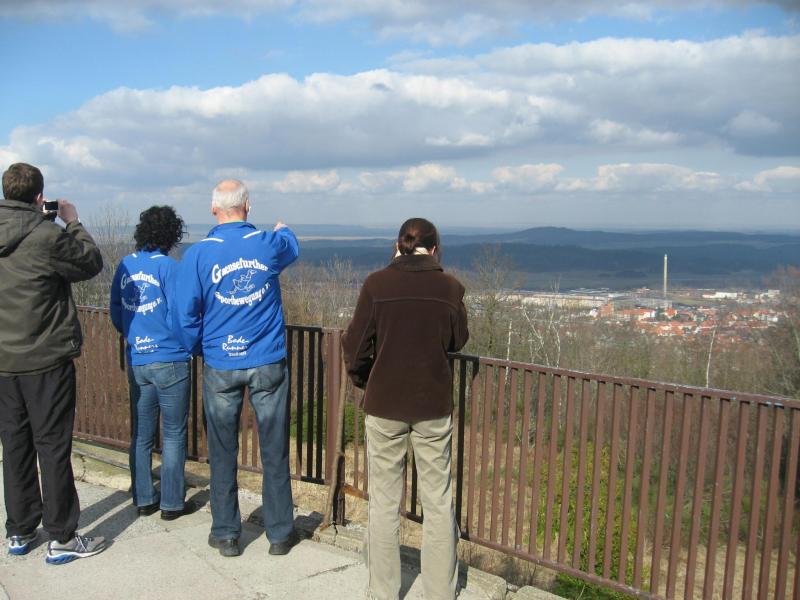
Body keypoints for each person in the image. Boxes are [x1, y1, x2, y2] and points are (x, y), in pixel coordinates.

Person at [342, 217, 469, 600]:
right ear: (434, 249)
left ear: (397, 246)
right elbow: (458, 340)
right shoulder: (450, 288)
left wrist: (366, 380)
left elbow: (355, 347)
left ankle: (383, 592)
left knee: (383, 502)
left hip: (384, 404)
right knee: (438, 502)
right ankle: (440, 593)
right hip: (433, 405)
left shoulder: (376, 285)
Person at [174, 179, 299, 558]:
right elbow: (291, 246)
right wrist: (284, 229)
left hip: (221, 362)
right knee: (274, 447)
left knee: (222, 449)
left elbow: (185, 315)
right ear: (248, 207)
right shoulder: (266, 243)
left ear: (214, 210)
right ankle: (280, 534)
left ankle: (227, 533)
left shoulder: (197, 254)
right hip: (267, 360)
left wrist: (200, 347)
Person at [0, 162, 107, 564]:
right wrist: (72, 222)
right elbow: (89, 262)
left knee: (15, 445)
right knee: (52, 446)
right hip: (46, 359)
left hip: (3, 362)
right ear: (39, 197)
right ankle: (61, 536)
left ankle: (20, 528)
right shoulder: (47, 236)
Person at [110, 206, 191, 521]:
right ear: (171, 234)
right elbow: (179, 314)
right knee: (173, 433)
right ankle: (171, 503)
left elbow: (116, 310)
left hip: (138, 358)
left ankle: (143, 498)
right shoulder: (169, 268)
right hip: (169, 358)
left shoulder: (126, 264)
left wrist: (133, 334)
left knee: (141, 434)